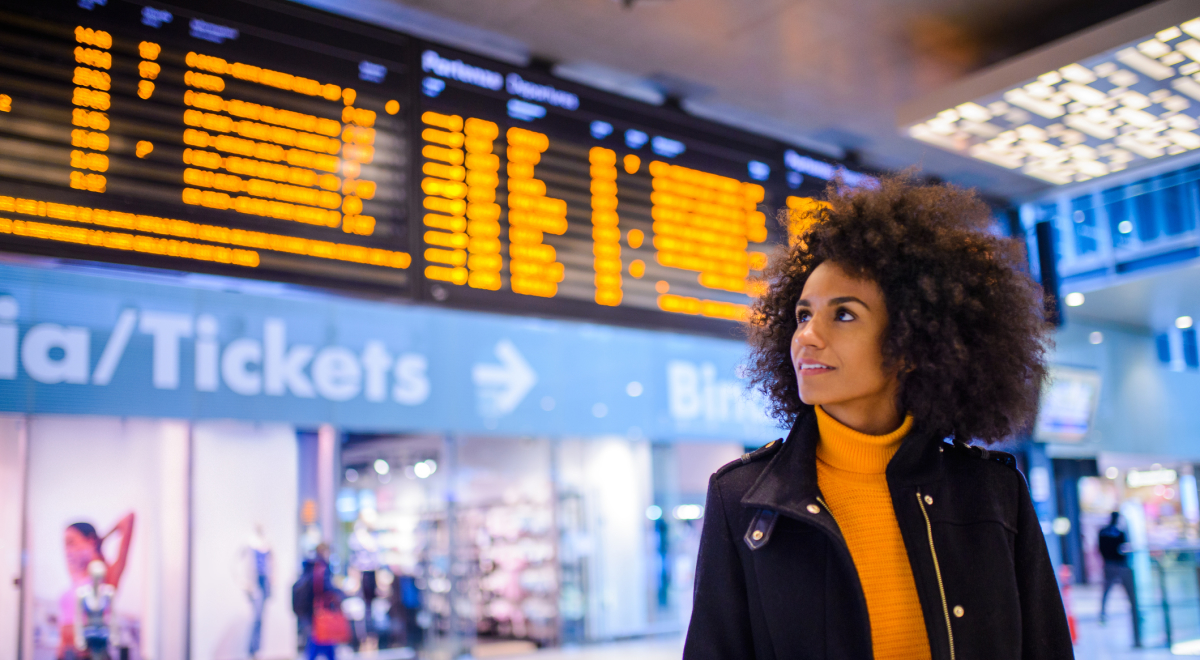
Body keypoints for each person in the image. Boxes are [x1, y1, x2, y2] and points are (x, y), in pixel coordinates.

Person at [683, 175, 1073, 659]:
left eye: (843, 315)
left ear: (911, 343)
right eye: (803, 315)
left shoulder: (993, 493)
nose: (807, 336)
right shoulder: (741, 499)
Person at [59, 514, 134, 660]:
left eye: (71, 542)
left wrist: (102, 540)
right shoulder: (76, 575)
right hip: (66, 654)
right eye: (65, 545)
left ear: (91, 540)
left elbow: (129, 519)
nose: (67, 550)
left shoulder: (107, 576)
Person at [1099, 511, 1141, 647]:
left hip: (1110, 564)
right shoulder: (1119, 532)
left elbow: (1100, 548)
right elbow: (1123, 548)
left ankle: (1103, 613)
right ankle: (1133, 613)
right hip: (1118, 565)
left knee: (1107, 591)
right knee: (1127, 593)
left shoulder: (1104, 532)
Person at [74, 560, 116, 660]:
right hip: (89, 633)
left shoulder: (108, 593)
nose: (97, 580)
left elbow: (113, 615)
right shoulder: (82, 593)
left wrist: (115, 635)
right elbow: (78, 617)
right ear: (90, 576)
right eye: (95, 576)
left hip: (103, 633)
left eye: (100, 577)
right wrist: (78, 637)